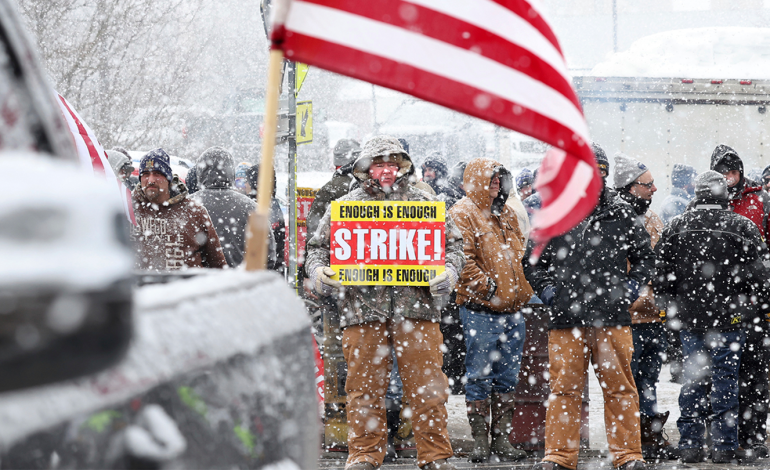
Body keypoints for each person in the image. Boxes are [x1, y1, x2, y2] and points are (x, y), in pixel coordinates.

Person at [305, 135, 464, 470]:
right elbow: (317, 250)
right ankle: (364, 454)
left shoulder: (424, 202)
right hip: (362, 311)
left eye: (392, 163)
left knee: (428, 390)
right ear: (366, 168)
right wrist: (319, 272)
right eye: (379, 163)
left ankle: (435, 456)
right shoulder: (345, 206)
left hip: (417, 311)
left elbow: (455, 248)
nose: (387, 170)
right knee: (362, 390)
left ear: (402, 166)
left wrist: (450, 273)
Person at [524, 142, 653, 470]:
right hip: (568, 319)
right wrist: (551, 293)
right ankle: (559, 456)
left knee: (620, 389)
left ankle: (627, 456)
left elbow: (644, 259)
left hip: (612, 318)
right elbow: (532, 261)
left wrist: (627, 292)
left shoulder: (621, 212)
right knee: (564, 390)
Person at [655, 170, 767, 464]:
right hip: (730, 321)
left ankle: (690, 445)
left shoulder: (676, 227)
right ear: (723, 194)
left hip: (690, 320)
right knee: (726, 381)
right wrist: (750, 305)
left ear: (697, 194)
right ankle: (724, 446)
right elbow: (760, 278)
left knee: (693, 382)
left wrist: (673, 307)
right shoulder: (742, 226)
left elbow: (661, 277)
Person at [449, 157, 533, 463]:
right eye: (490, 179)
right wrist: (491, 288)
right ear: (476, 181)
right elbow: (462, 259)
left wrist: (519, 291)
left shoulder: (508, 212)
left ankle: (501, 439)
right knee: (479, 376)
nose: (496, 184)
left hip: (512, 311)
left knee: (507, 378)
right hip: (480, 310)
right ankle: (481, 440)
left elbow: (519, 256)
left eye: (500, 179)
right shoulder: (462, 212)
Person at [613, 153, 677, 460]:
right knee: (628, 384)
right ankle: (631, 444)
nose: (654, 190)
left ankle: (649, 437)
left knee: (649, 381)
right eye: (647, 184)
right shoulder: (613, 219)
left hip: (654, 317)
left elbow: (662, 266)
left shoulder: (653, 219)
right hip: (628, 320)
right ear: (629, 187)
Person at [710, 144, 770, 456]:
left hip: (755, 302)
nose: (728, 178)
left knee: (755, 372)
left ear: (740, 172)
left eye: (732, 171)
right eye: (722, 172)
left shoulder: (761, 201)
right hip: (715, 304)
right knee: (716, 374)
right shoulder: (706, 204)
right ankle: (722, 437)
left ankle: (754, 435)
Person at [131, 148, 227, 271]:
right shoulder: (127, 210)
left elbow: (218, 265)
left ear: (168, 178)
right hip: (140, 289)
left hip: (184, 289)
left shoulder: (194, 212)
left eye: (157, 173)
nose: (150, 180)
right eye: (145, 174)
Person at [191, 147, 275, 269]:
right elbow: (267, 257)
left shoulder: (186, 206)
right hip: (240, 285)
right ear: (231, 172)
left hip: (196, 285)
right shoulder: (251, 208)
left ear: (199, 171)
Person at [244, 164, 285, 275]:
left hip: (258, 274)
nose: (245, 184)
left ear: (255, 183)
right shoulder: (273, 204)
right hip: (274, 273)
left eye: (247, 181)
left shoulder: (254, 207)